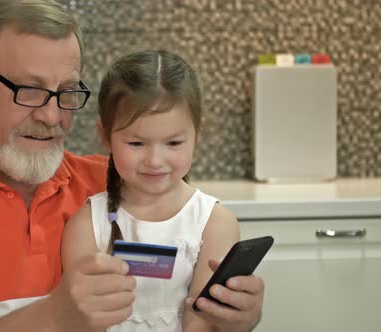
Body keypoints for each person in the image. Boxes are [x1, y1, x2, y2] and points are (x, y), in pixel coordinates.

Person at [0, 1, 264, 332]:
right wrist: (53, 318)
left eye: (65, 92)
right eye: (29, 90)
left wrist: (233, 318)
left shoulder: (113, 184)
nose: (51, 116)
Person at [61, 49, 256, 332]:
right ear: (105, 136)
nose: (154, 160)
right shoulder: (86, 225)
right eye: (136, 144)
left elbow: (200, 322)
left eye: (173, 143)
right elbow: (81, 322)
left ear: (197, 134)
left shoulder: (215, 223)